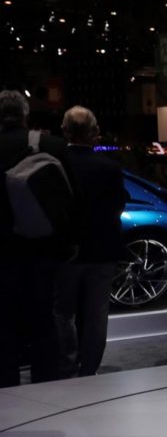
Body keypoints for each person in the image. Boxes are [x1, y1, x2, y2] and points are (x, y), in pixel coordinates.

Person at [0, 90, 74, 386]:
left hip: (3, 252)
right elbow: (72, 201)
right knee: (44, 321)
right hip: (44, 249)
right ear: (25, 114)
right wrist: (70, 245)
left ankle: (6, 387)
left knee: (4, 325)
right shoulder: (53, 146)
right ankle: (46, 386)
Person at [53, 106, 129, 377]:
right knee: (96, 312)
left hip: (66, 250)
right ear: (94, 131)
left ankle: (67, 362)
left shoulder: (56, 164)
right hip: (102, 249)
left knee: (63, 311)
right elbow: (118, 205)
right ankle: (89, 367)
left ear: (65, 130)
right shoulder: (109, 167)